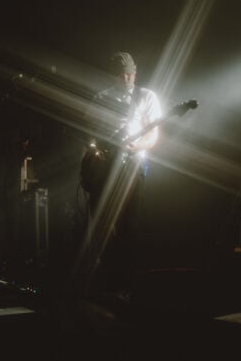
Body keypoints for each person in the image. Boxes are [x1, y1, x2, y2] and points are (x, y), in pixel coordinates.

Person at [75, 51, 162, 299]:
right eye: (121, 74)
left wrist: (138, 146)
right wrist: (92, 155)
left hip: (132, 165)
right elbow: (88, 132)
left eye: (130, 73)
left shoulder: (145, 96)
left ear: (135, 72)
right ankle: (103, 283)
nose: (126, 78)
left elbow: (154, 135)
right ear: (112, 75)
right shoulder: (101, 97)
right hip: (102, 168)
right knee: (101, 224)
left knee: (129, 226)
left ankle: (126, 286)